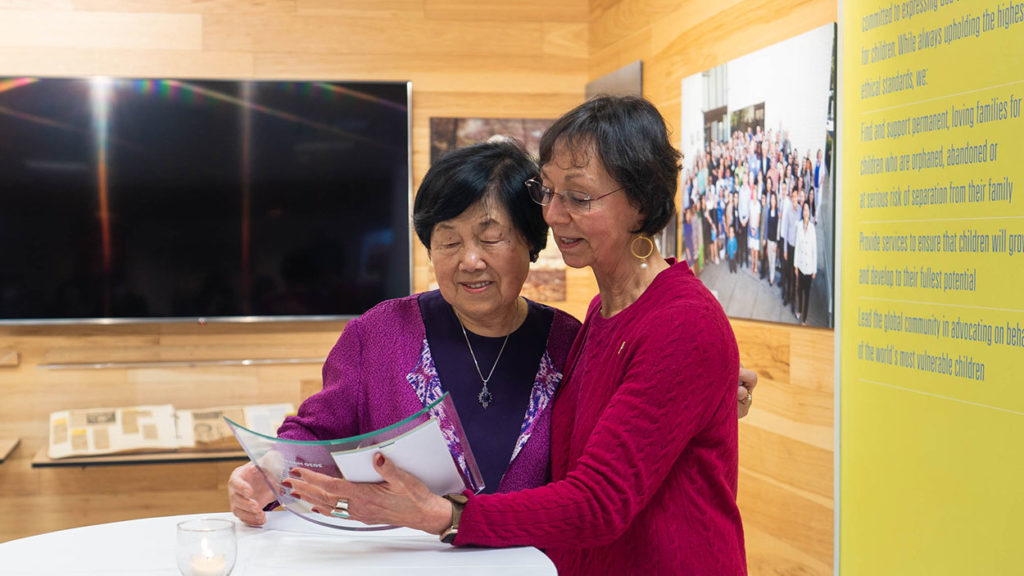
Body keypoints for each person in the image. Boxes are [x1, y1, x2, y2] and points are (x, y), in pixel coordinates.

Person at [286, 96, 747, 575]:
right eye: (548, 192)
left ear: (641, 203)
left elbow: (599, 501)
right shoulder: (604, 316)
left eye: (579, 197)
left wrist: (443, 515)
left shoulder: (660, 324)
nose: (554, 214)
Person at [794, 201, 817, 325]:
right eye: (804, 210)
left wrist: (814, 270)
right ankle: (799, 309)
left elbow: (814, 249)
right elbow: (797, 245)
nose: (805, 212)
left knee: (807, 293)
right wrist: (795, 265)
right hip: (801, 264)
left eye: (807, 210)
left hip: (809, 267)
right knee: (800, 290)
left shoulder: (812, 228)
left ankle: (805, 318)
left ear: (809, 212)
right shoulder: (799, 225)